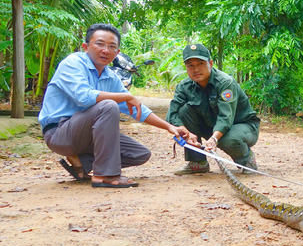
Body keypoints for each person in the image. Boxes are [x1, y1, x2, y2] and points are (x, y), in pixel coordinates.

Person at [39, 23, 188, 188]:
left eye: (112, 47)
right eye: (100, 44)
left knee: (140, 154)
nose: (106, 50)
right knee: (109, 105)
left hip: (87, 137)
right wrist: (125, 95)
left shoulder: (110, 77)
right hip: (60, 133)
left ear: (117, 52)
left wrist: (169, 127)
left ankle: (81, 162)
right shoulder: (73, 63)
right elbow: (84, 97)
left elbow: (137, 110)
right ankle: (104, 175)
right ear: (85, 47)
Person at [166, 43, 260, 175]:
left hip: (242, 126)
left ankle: (247, 160)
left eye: (200, 63)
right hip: (213, 126)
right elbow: (172, 113)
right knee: (184, 111)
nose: (196, 69)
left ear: (210, 63)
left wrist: (214, 138)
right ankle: (198, 163)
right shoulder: (184, 86)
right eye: (190, 65)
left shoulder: (225, 83)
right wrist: (186, 132)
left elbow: (226, 118)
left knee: (228, 140)